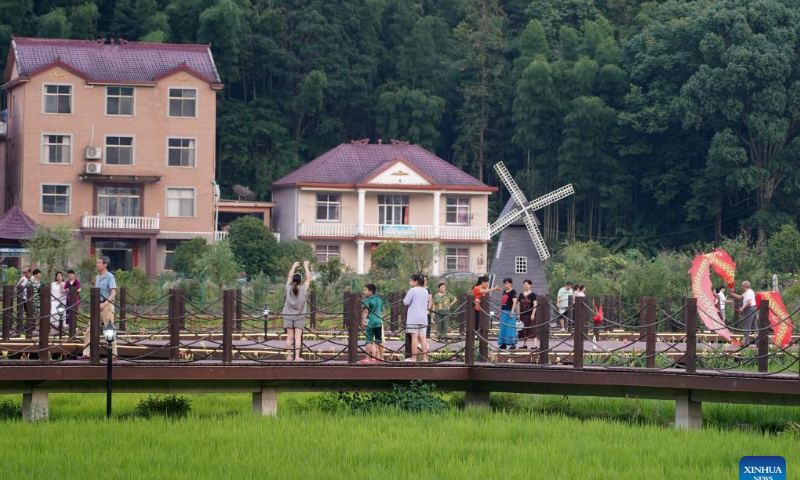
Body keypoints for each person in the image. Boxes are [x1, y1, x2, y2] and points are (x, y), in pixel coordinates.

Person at [81, 257, 117, 359]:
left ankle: (114, 354)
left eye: (99, 263)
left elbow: (113, 292)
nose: (97, 264)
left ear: (105, 265)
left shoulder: (110, 277)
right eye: (97, 262)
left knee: (109, 329)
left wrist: (105, 303)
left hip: (106, 306)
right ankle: (86, 353)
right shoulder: (97, 277)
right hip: (97, 306)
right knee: (90, 328)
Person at [282, 261, 311, 361]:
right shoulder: (303, 289)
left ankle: (289, 356)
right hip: (299, 316)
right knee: (298, 337)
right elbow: (308, 278)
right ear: (300, 281)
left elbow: (289, 277)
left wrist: (293, 266)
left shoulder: (288, 288)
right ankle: (297, 357)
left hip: (288, 315)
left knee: (289, 337)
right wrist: (306, 266)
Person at [403, 274, 430, 362]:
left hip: (413, 317)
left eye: (411, 281)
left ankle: (414, 358)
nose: (409, 282)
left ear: (416, 282)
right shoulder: (425, 291)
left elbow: (406, 302)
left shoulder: (412, 290)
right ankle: (424, 358)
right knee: (423, 337)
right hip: (423, 317)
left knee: (414, 337)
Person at [359, 284, 384, 364]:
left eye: (365, 290)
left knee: (369, 340)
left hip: (370, 322)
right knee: (378, 340)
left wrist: (363, 322)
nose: (364, 292)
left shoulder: (368, 300)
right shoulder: (379, 300)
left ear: (371, 291)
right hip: (379, 321)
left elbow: (365, 312)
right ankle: (381, 357)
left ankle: (367, 358)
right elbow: (382, 310)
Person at [730, 280, 756, 346]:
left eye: (741, 286)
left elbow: (749, 302)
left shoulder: (749, 292)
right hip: (753, 309)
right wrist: (733, 294)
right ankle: (758, 342)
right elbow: (740, 297)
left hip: (749, 310)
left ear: (744, 286)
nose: (741, 287)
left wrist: (743, 308)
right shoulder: (747, 292)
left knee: (746, 326)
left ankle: (746, 343)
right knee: (754, 327)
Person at [516, 280, 537, 349]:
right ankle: (524, 344)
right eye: (524, 284)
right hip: (523, 314)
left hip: (530, 314)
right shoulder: (521, 295)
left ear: (530, 285)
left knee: (532, 328)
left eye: (527, 284)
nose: (525, 285)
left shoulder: (533, 295)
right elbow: (518, 305)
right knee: (523, 329)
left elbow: (535, 305)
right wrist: (519, 314)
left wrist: (533, 314)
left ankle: (534, 344)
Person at [498, 278, 518, 350]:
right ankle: (503, 343)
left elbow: (514, 302)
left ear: (511, 283)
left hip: (510, 311)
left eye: (507, 283)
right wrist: (500, 312)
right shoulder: (504, 291)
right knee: (503, 327)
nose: (505, 285)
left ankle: (512, 344)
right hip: (504, 311)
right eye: (505, 283)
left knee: (510, 328)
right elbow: (503, 303)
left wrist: (512, 311)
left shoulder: (513, 292)